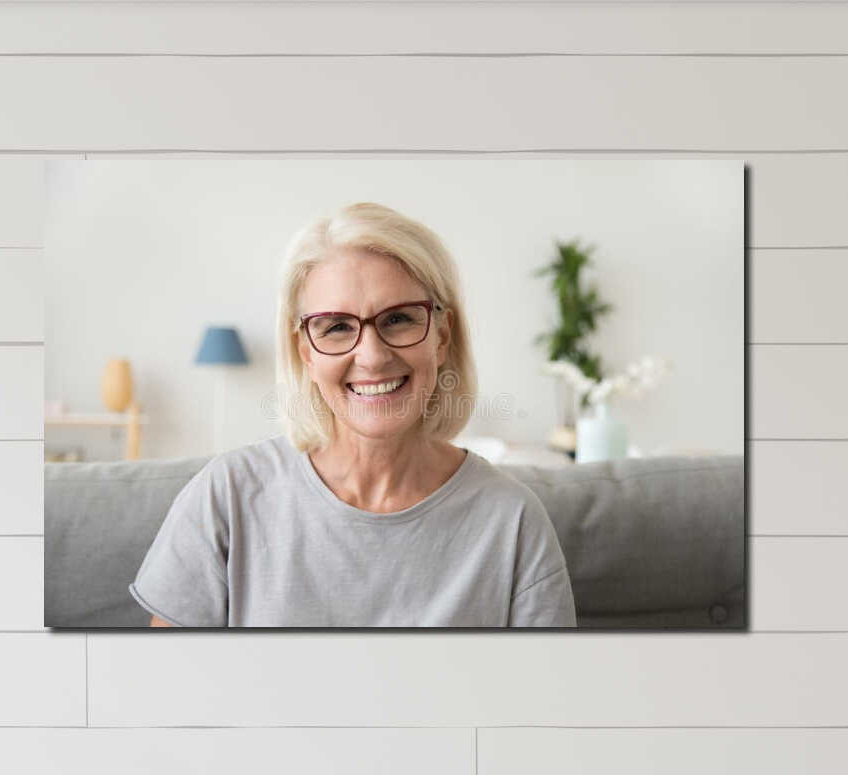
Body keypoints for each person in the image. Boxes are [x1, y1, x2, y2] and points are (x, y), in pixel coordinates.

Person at [130, 202, 575, 628]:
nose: (373, 356)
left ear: (441, 336)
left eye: (398, 318)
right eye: (337, 327)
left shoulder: (513, 520)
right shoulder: (226, 495)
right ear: (306, 351)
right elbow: (168, 691)